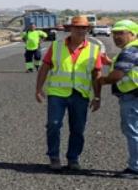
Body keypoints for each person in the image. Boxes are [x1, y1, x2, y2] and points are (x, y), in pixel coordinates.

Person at [35, 15, 104, 171]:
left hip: (80, 94)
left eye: (84, 28)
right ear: (70, 29)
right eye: (77, 27)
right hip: (57, 93)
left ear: (88, 30)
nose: (80, 30)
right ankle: (54, 157)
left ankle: (73, 158)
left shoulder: (94, 49)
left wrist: (98, 96)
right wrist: (38, 88)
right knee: (53, 124)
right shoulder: (57, 46)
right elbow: (45, 67)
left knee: (78, 128)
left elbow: (96, 75)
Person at [98, 20, 138, 178]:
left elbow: (118, 75)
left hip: (132, 97)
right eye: (114, 33)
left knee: (133, 132)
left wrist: (103, 80)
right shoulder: (132, 50)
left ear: (133, 34)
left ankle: (135, 168)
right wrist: (109, 62)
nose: (116, 37)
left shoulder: (129, 51)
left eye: (121, 33)